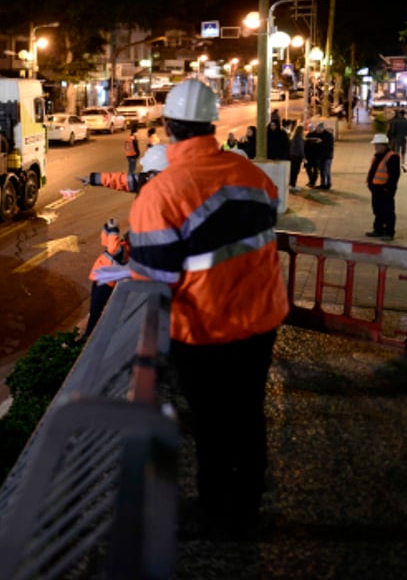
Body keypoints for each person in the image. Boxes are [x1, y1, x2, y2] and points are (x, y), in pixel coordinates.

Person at [127, 79, 287, 533]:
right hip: (261, 319)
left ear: (168, 127)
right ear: (210, 124)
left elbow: (150, 284)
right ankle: (250, 496)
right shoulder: (251, 174)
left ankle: (219, 509)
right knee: (248, 409)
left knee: (213, 423)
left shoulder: (161, 194)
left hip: (204, 332)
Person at [84, 218, 129, 339]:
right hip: (100, 278)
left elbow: (112, 249)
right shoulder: (123, 246)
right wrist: (106, 229)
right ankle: (90, 333)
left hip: (105, 282)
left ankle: (89, 335)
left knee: (96, 310)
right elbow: (105, 242)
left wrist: (113, 231)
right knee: (95, 308)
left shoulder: (124, 250)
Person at [365, 133, 401, 240]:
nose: (375, 147)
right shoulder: (378, 156)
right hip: (376, 189)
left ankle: (389, 232)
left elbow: (394, 175)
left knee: (387, 211)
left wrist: (388, 188)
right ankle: (378, 229)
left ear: (384, 145)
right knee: (377, 210)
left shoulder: (392, 157)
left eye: (377, 145)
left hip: (385, 190)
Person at [313, 122, 335, 189]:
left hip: (327, 156)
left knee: (327, 170)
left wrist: (321, 143)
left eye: (319, 129)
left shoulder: (329, 135)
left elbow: (329, 146)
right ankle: (322, 184)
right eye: (317, 129)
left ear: (322, 128)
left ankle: (328, 183)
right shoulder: (317, 134)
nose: (317, 130)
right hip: (320, 156)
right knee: (322, 170)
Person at [288, 124, 305, 192]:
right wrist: (303, 157)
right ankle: (293, 185)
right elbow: (301, 148)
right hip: (297, 157)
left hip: (292, 156)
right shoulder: (299, 138)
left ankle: (291, 184)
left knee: (292, 171)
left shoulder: (293, 137)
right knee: (295, 171)